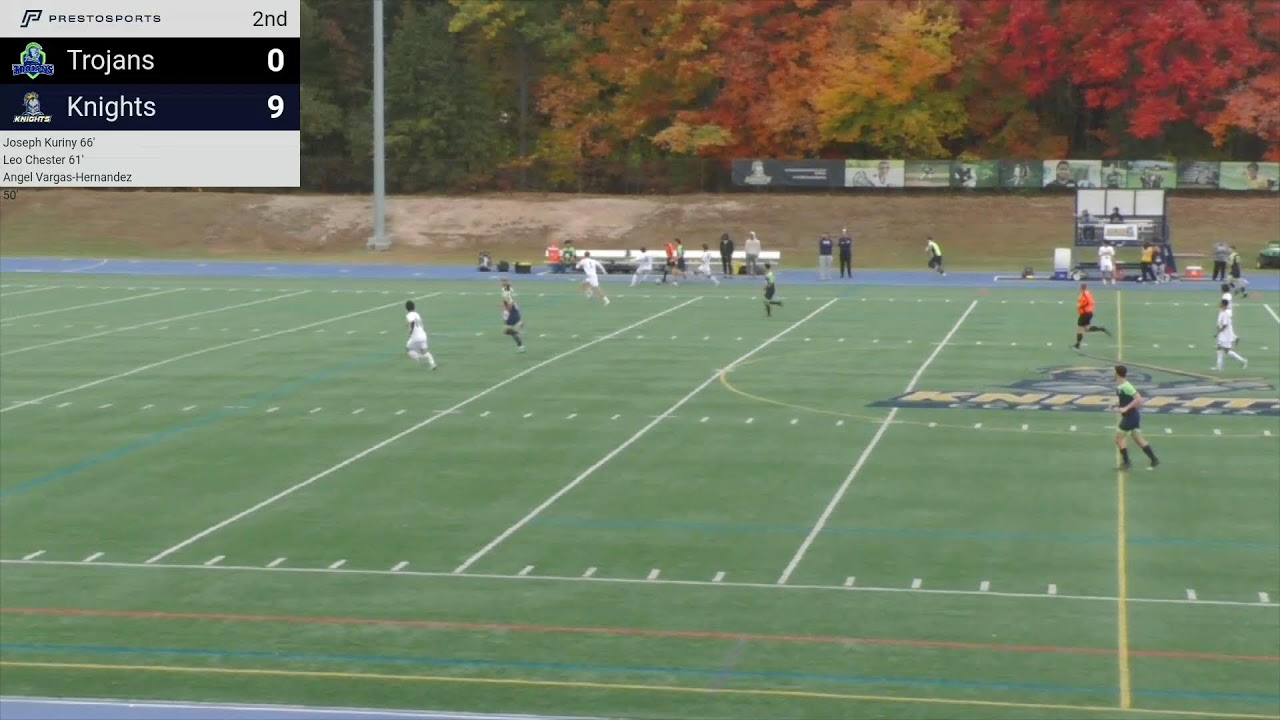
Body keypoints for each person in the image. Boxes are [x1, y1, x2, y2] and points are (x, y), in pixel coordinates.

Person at [1113, 365, 1159, 471]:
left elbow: (1139, 399)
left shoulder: (1126, 386)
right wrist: (1117, 404)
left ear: (1117, 373)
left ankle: (1127, 462)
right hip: (1132, 416)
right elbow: (1126, 399)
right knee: (1138, 439)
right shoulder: (1121, 386)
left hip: (1130, 417)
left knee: (1119, 439)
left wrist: (1126, 408)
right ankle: (1154, 459)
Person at [1212, 298, 1247, 371]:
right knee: (1219, 349)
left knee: (1226, 351)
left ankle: (1243, 361)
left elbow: (1225, 325)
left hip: (1225, 335)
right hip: (1223, 335)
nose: (1219, 303)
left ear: (1223, 305)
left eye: (1220, 303)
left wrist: (1217, 333)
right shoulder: (1221, 312)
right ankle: (1219, 366)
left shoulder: (1225, 314)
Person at [1073, 283, 1111, 350]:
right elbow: (1091, 302)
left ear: (1081, 288)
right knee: (1087, 329)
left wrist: (1080, 305)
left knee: (1080, 329)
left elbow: (1087, 302)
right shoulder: (1087, 292)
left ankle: (1077, 345)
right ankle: (1101, 329)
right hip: (1089, 313)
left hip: (1084, 314)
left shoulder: (1084, 295)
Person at [404, 300, 437, 369]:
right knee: (424, 352)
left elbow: (412, 322)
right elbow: (421, 324)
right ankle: (432, 363)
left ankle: (418, 357)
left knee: (408, 349)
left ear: (406, 308)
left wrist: (410, 331)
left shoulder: (409, 315)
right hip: (423, 335)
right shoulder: (417, 314)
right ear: (414, 307)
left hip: (415, 337)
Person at [499, 278, 525, 351]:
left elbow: (510, 303)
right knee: (508, 331)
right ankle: (520, 346)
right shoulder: (507, 290)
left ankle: (520, 342)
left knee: (507, 331)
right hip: (514, 311)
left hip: (511, 312)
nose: (501, 283)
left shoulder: (506, 292)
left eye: (503, 282)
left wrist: (507, 312)